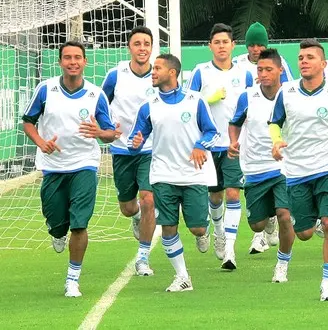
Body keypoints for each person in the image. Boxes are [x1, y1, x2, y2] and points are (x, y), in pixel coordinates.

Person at [269, 38, 328, 301]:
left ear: (323, 64)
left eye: (310, 58)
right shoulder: (286, 92)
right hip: (297, 172)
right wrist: (276, 140)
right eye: (301, 58)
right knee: (303, 233)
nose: (304, 62)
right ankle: (309, 223)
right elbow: (274, 123)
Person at [22, 41, 119, 297]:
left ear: (85, 62)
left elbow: (109, 133)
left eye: (77, 57)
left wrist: (100, 133)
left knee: (79, 224)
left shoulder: (96, 94)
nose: (73, 62)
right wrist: (41, 143)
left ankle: (72, 279)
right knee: (57, 223)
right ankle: (57, 232)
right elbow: (28, 121)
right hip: (52, 167)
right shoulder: (46, 89)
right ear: (60, 62)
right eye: (67, 57)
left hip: (84, 164)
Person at [128, 53, 220, 292]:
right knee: (168, 227)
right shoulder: (148, 106)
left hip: (193, 175)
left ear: (172, 72)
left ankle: (205, 230)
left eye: (157, 68)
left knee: (196, 227)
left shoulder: (195, 100)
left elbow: (212, 132)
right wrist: (135, 142)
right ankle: (183, 277)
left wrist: (200, 146)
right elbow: (135, 138)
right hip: (162, 175)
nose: (153, 72)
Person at [185, 23, 253, 269]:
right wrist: (209, 98)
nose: (222, 46)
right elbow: (187, 104)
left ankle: (230, 250)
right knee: (215, 196)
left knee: (233, 193)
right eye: (217, 42)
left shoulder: (245, 74)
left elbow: (251, 107)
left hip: (234, 144)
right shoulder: (200, 73)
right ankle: (218, 231)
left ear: (233, 45)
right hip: (208, 145)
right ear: (210, 46)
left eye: (226, 42)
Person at [228, 48, 296, 282]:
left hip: (284, 167)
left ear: (280, 70)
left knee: (285, 214)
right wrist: (233, 141)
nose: (264, 74)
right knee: (256, 225)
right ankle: (268, 220)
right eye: (260, 69)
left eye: (269, 69)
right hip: (254, 167)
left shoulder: (291, 94)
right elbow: (235, 122)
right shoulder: (247, 96)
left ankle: (282, 264)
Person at [101, 26, 159, 276]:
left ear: (152, 47)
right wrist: (106, 127)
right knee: (127, 207)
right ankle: (134, 216)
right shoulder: (116, 75)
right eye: (138, 44)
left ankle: (143, 257)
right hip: (121, 150)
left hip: (150, 149)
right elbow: (99, 102)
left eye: (146, 43)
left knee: (148, 199)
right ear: (129, 47)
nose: (142, 48)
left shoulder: (159, 74)